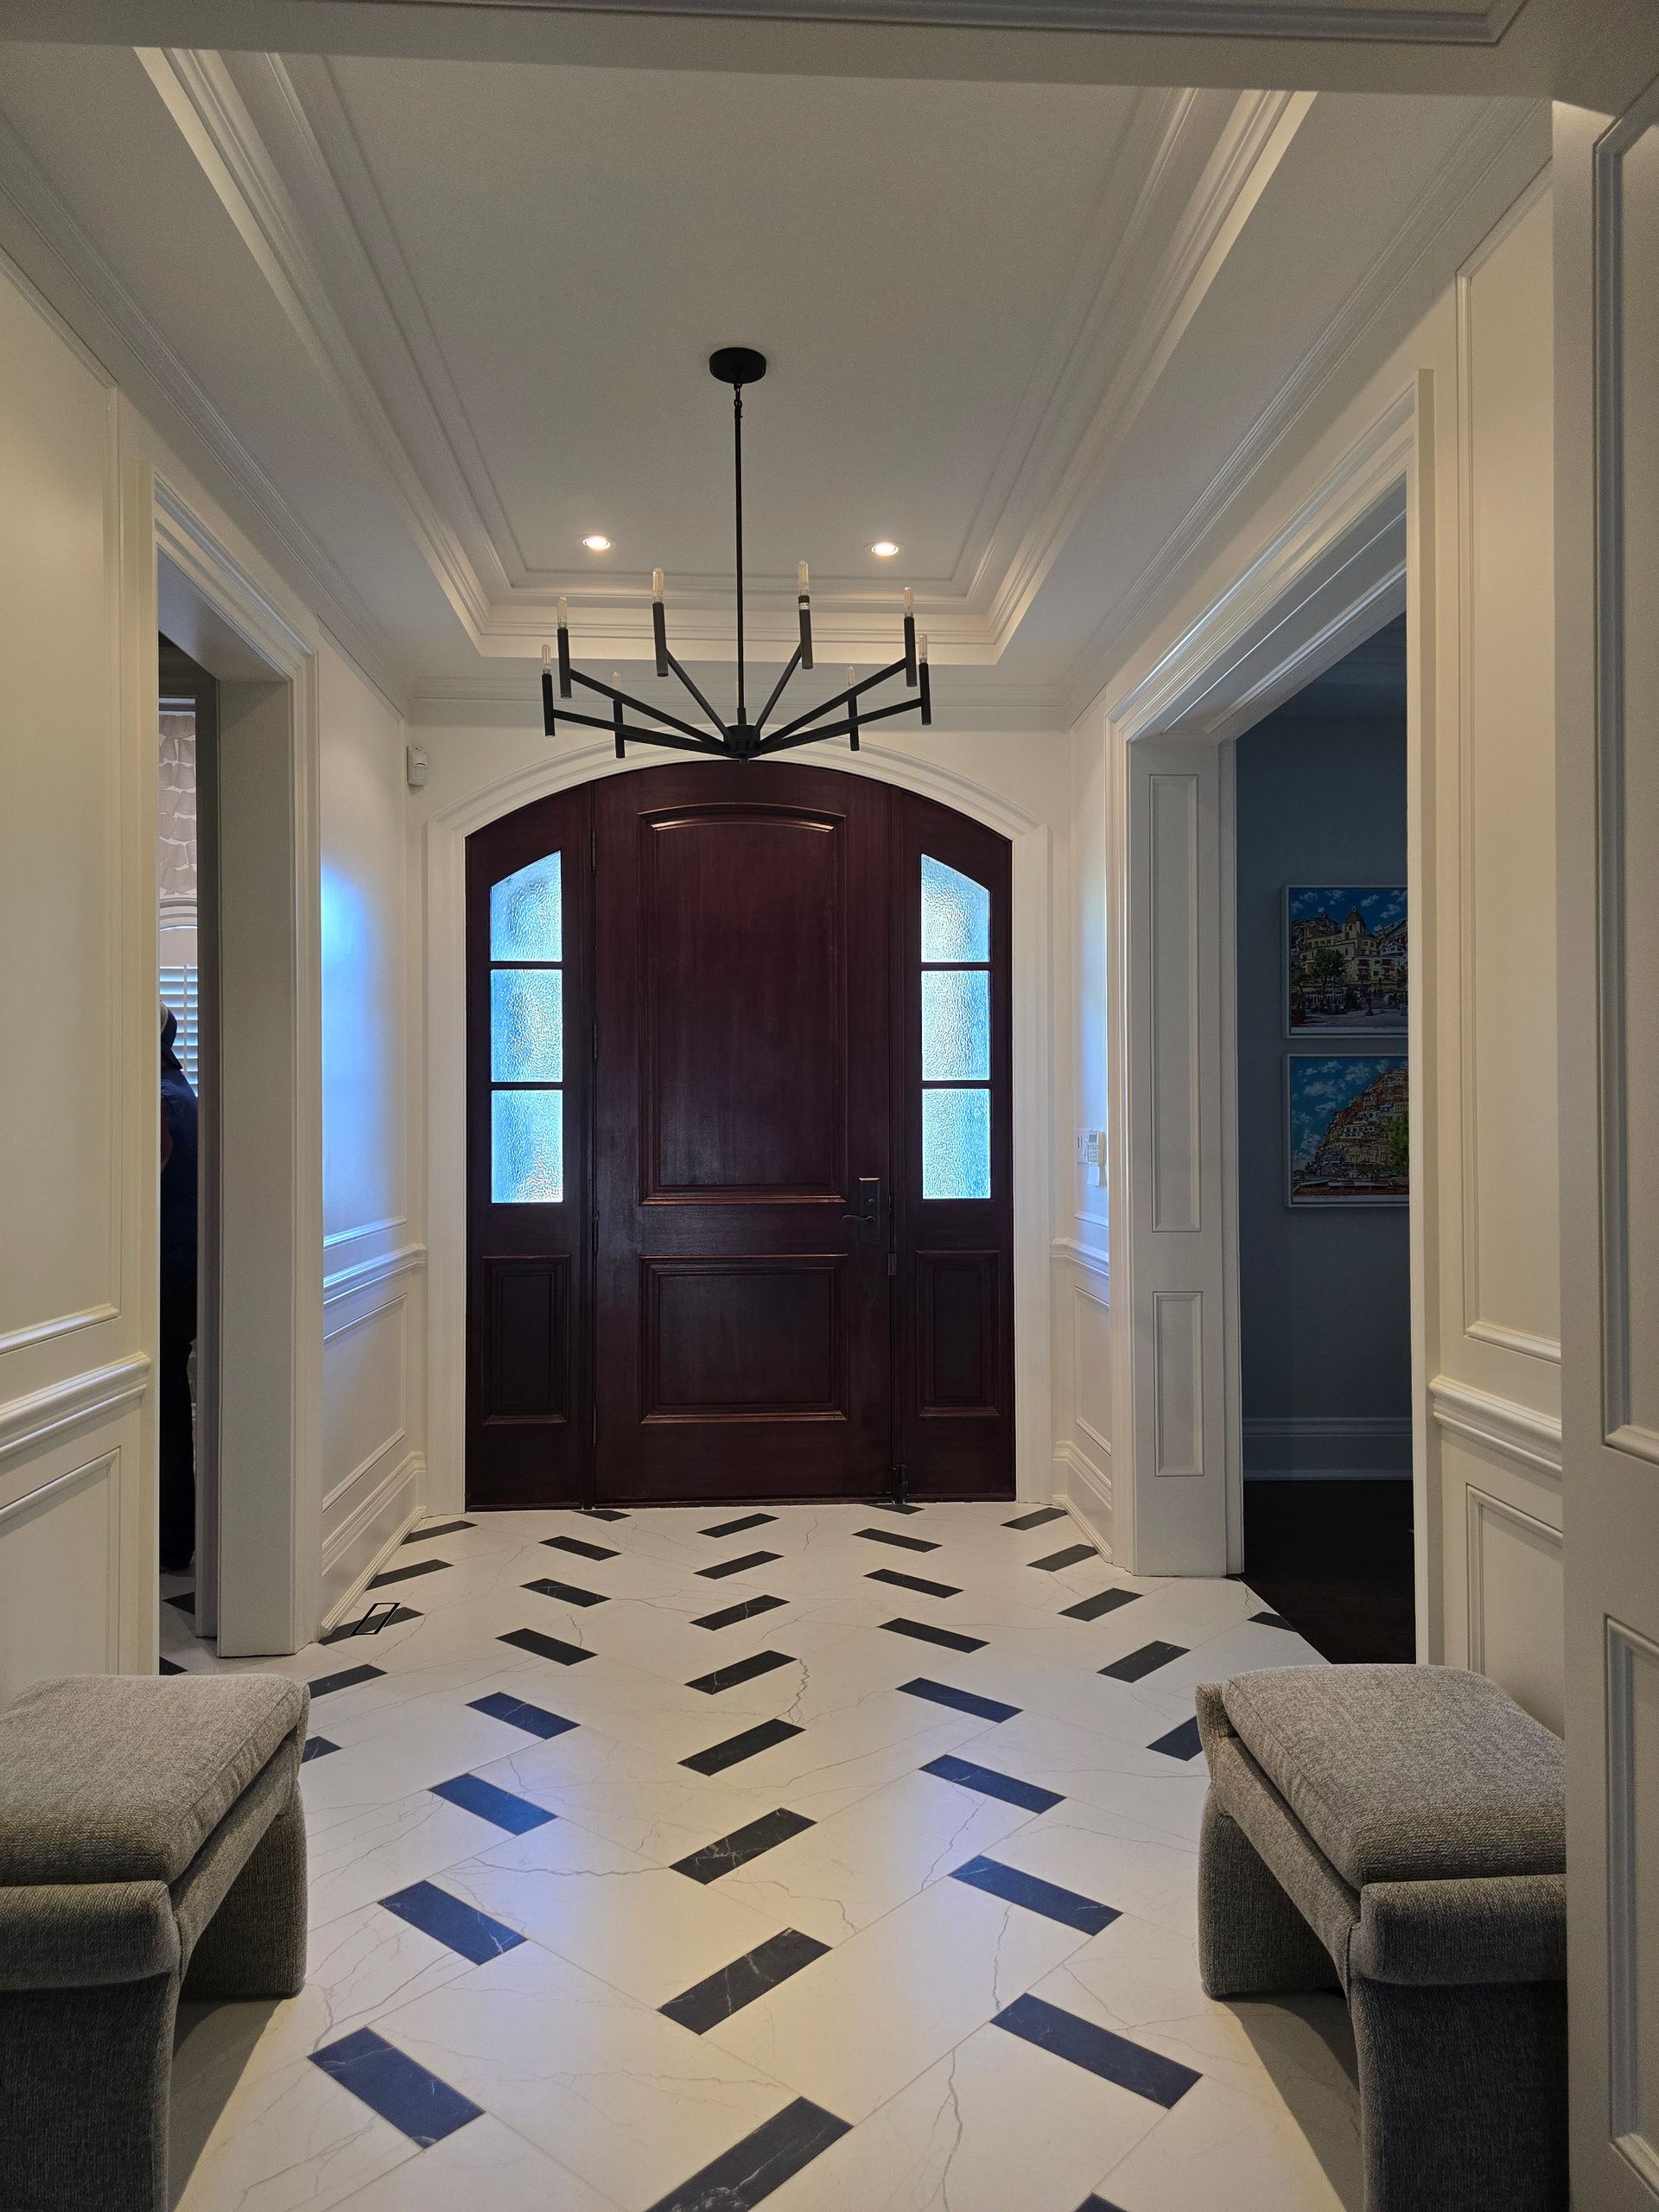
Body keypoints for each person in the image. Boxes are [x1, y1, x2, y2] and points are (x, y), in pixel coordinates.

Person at [159, 1003, 199, 1573]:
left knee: (165, 1407)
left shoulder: (162, 1102)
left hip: (165, 1274)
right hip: (183, 1270)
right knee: (168, 1402)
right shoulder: (180, 1093)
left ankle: (169, 1540)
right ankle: (173, 1539)